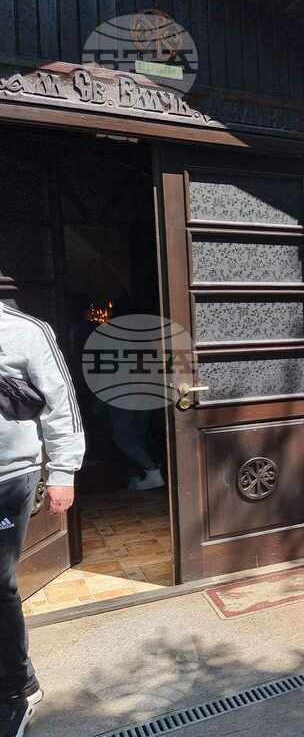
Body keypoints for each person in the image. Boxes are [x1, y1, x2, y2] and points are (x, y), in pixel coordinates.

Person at [0, 301, 85, 737]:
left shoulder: (25, 331)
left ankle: (17, 688)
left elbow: (60, 402)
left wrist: (63, 472)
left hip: (8, 477)